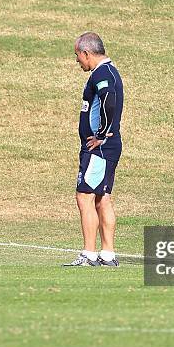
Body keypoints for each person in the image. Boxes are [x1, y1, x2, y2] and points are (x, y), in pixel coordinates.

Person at [63, 32, 124, 267]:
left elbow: (109, 98)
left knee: (85, 197)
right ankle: (107, 255)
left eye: (78, 55)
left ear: (87, 53)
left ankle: (89, 254)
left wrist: (102, 134)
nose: (78, 60)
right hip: (106, 148)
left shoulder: (102, 74)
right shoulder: (107, 71)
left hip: (98, 149)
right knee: (102, 199)